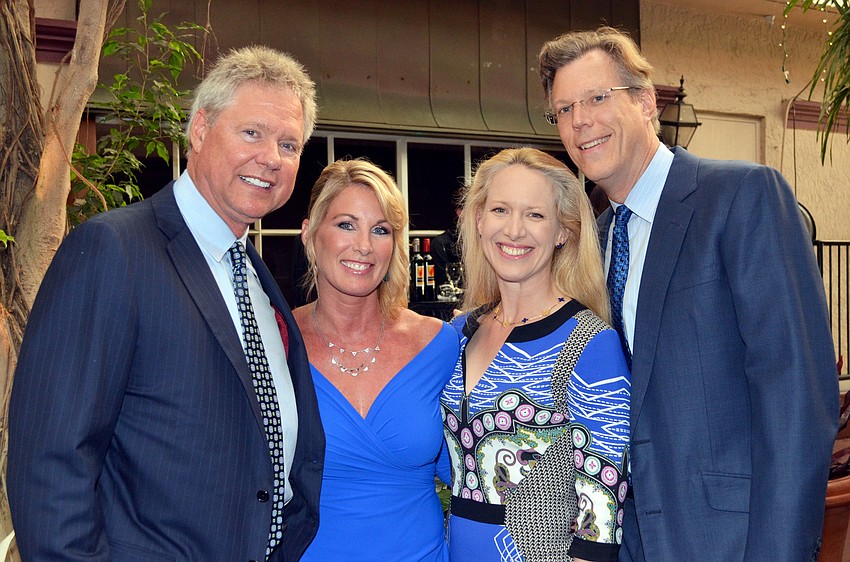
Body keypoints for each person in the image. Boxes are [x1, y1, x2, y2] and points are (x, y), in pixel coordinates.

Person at [8, 46, 325, 562]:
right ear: (199, 128)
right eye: (252, 132)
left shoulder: (256, 277)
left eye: (289, 144)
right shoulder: (113, 251)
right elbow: (50, 462)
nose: (271, 157)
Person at [538, 27, 838, 562]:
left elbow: (796, 394)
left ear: (647, 101)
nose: (579, 120)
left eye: (597, 98)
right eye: (563, 109)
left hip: (729, 543)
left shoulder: (743, 198)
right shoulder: (594, 243)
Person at [441, 147, 630, 562]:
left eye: (535, 215)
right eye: (500, 210)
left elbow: (603, 507)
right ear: (478, 219)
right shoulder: (456, 334)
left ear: (562, 232)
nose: (514, 230)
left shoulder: (590, 343)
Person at [292, 158, 457, 561]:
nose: (364, 245)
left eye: (380, 230)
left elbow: (477, 475)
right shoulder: (276, 342)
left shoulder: (439, 345)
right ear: (310, 235)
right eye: (346, 224)